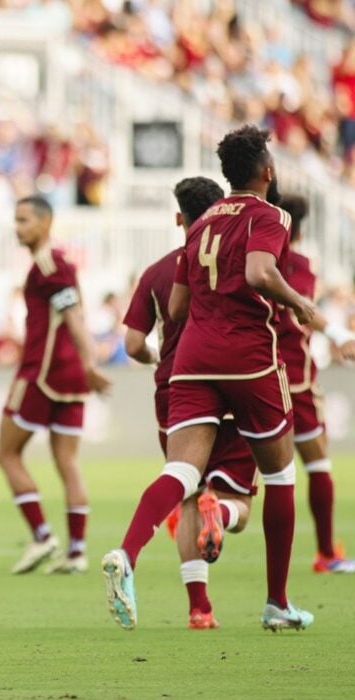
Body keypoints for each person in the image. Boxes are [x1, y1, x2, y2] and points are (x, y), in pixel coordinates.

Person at [102, 125, 318, 632]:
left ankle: (127, 553)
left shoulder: (200, 227)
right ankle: (277, 603)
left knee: (180, 472)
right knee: (281, 474)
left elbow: (176, 307)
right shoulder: (271, 215)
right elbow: (261, 273)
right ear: (267, 172)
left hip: (193, 359)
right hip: (249, 357)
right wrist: (300, 302)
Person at [123, 177, 258, 629]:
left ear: (179, 218)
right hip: (235, 381)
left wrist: (151, 358)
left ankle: (199, 608)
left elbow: (133, 342)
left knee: (184, 488)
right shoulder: (240, 260)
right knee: (239, 497)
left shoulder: (159, 271)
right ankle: (220, 513)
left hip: (177, 387)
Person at [0, 196, 110, 575]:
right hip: (71, 376)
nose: (18, 227)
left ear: (46, 223)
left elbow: (73, 317)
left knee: (7, 454)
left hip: (41, 374)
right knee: (68, 461)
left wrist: (91, 361)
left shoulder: (49, 264)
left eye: (24, 219)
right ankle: (77, 551)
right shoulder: (55, 264)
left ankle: (43, 536)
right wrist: (86, 367)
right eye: (16, 219)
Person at [276, 194, 355, 573]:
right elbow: (302, 311)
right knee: (317, 463)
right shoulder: (298, 264)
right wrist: (338, 333)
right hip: (294, 377)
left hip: (247, 374)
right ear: (300, 229)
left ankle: (211, 510)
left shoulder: (248, 259)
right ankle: (325, 552)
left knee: (237, 465)